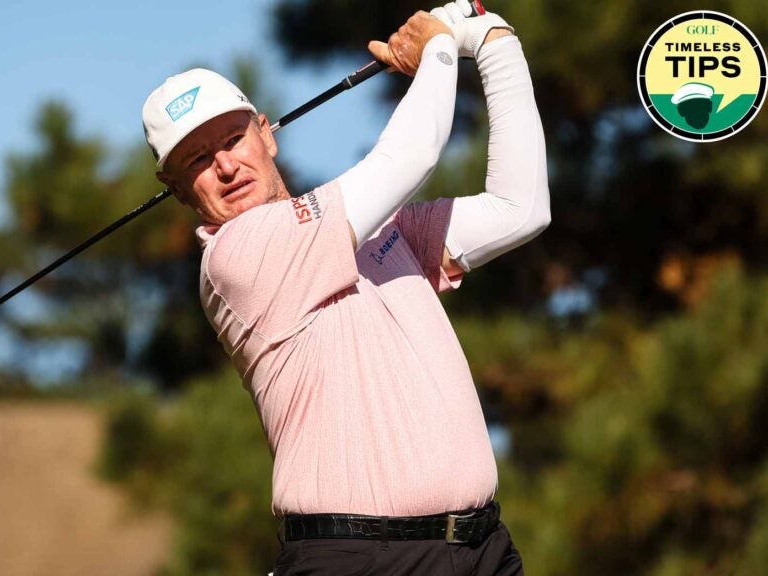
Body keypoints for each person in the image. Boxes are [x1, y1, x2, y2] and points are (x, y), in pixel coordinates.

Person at [140, 1, 548, 573]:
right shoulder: (236, 257)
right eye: (198, 160)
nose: (226, 166)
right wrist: (437, 46)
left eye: (232, 139)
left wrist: (495, 45)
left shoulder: (377, 230)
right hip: (354, 560)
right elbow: (410, 156)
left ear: (266, 134)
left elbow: (520, 209)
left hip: (483, 549)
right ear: (178, 189)